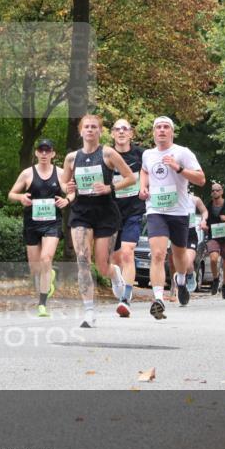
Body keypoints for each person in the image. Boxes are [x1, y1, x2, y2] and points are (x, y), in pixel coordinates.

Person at [60, 115, 135, 328]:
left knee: (102, 266)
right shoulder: (72, 158)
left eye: (94, 127)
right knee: (82, 259)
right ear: (80, 131)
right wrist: (68, 189)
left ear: (100, 131)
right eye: (87, 127)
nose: (90, 130)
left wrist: (110, 188)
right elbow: (64, 183)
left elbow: (131, 178)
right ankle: (89, 312)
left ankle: (115, 274)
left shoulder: (108, 153)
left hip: (105, 212)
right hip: (81, 212)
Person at [139, 116, 205, 318]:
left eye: (166, 127)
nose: (161, 130)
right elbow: (144, 171)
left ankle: (182, 280)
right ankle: (158, 298)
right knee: (158, 254)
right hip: (156, 210)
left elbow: (201, 179)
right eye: (158, 127)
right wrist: (142, 186)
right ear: (153, 133)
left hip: (179, 211)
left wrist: (179, 168)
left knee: (179, 255)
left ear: (172, 132)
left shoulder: (182, 152)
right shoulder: (148, 154)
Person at [8, 138, 69, 317]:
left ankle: (42, 303)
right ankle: (49, 276)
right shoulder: (27, 174)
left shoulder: (60, 173)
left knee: (46, 258)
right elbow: (11, 193)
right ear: (36, 153)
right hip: (32, 224)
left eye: (47, 150)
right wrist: (20, 198)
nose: (44, 154)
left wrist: (67, 200)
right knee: (35, 268)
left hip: (52, 223)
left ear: (53, 154)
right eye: (40, 150)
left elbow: (71, 191)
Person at [110, 119, 146, 317]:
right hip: (112, 211)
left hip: (134, 209)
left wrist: (145, 187)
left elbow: (150, 174)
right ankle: (118, 280)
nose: (122, 132)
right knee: (114, 259)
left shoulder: (141, 154)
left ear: (131, 134)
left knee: (127, 252)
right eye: (118, 129)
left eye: (125, 129)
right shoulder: (106, 155)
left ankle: (126, 298)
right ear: (113, 134)